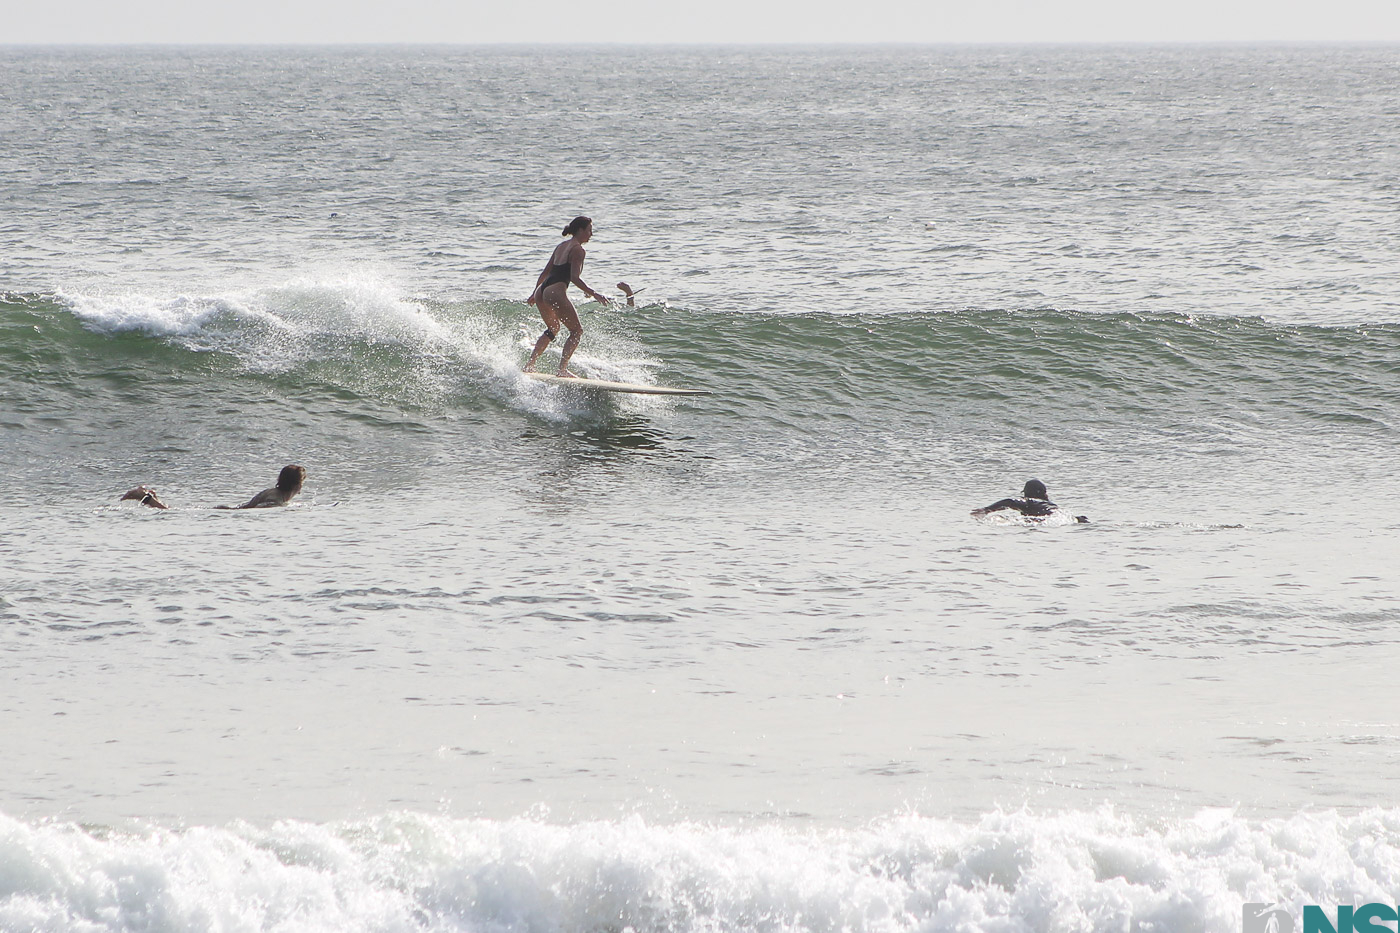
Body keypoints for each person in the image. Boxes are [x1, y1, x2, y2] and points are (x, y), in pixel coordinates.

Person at [525, 216, 609, 377]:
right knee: (576, 331)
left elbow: (545, 272)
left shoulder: (561, 246)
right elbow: (574, 278)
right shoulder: (578, 249)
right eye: (589, 230)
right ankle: (562, 369)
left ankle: (530, 365)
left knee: (553, 328)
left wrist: (533, 293)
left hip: (542, 291)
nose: (591, 234)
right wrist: (594, 293)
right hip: (554, 291)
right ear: (580, 230)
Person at [971, 479, 1089, 523]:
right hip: (1063, 516)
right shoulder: (1051, 504)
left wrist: (986, 510)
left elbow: (1008, 501)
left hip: (1046, 519)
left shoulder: (1029, 502)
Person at [214, 465, 306, 510]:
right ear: (297, 485)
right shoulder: (276, 500)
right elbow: (258, 508)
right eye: (302, 482)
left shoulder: (272, 492)